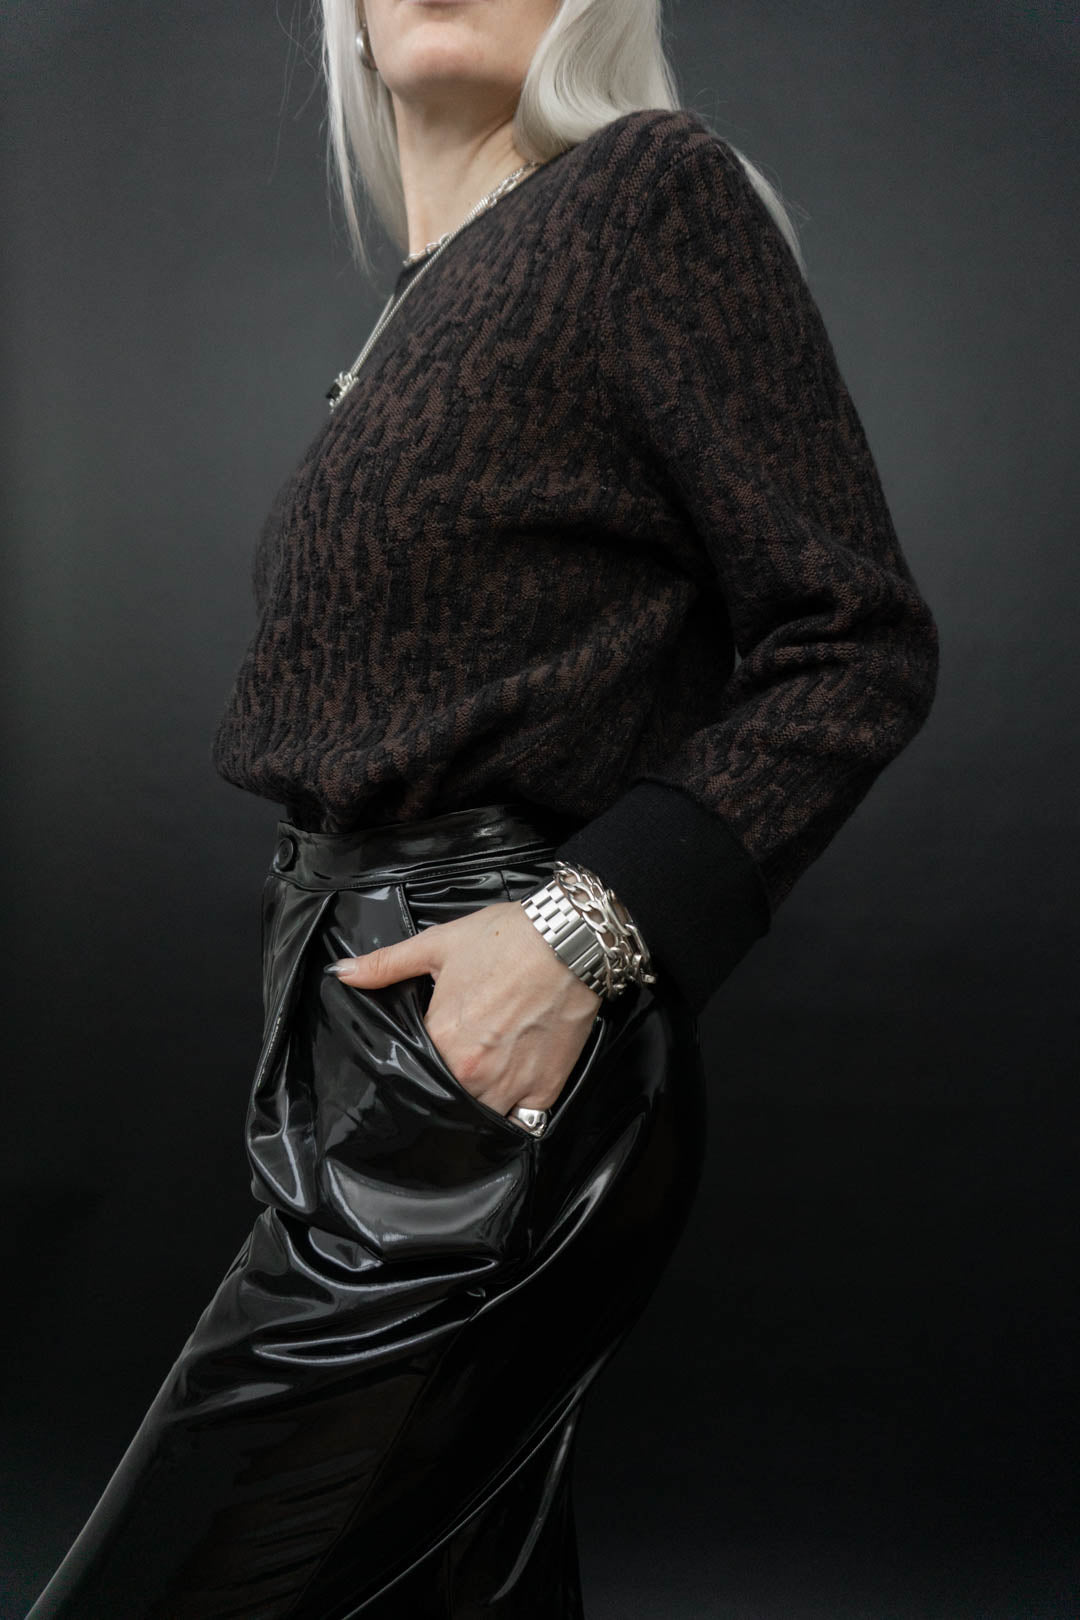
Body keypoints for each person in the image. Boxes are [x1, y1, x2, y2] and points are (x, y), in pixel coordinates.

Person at [26, 0, 940, 1615]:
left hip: (481, 1060)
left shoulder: (644, 191)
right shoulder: (425, 298)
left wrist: (584, 932)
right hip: (351, 1027)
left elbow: (854, 640)